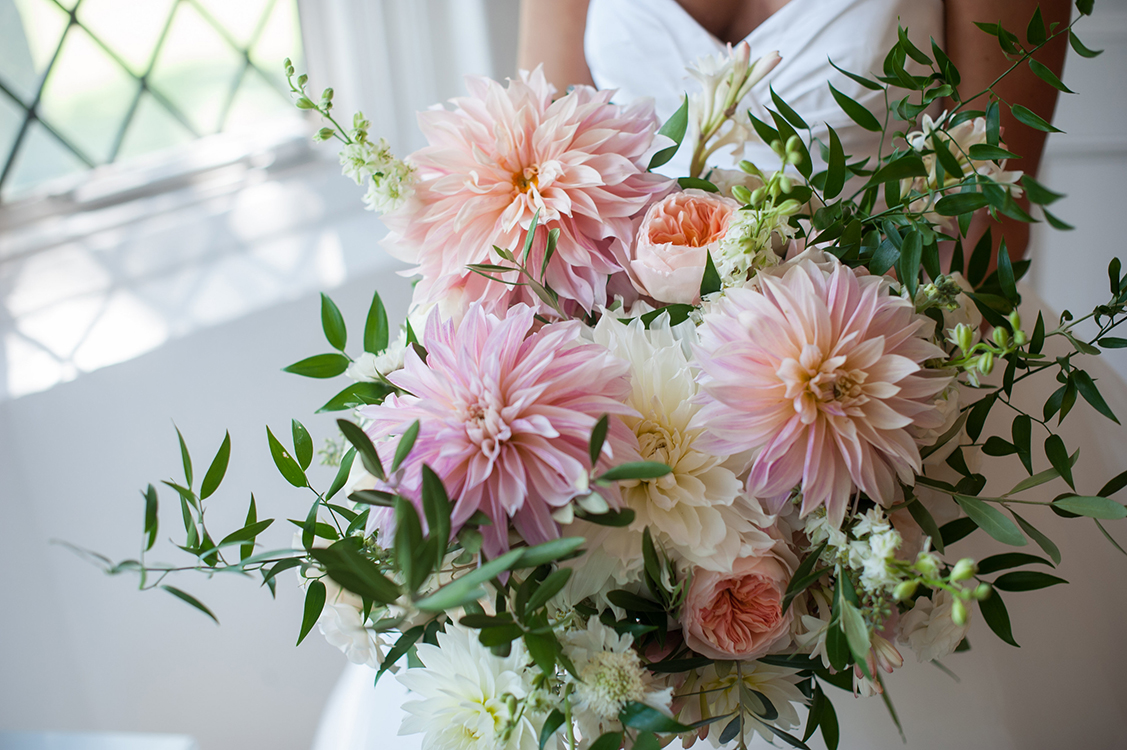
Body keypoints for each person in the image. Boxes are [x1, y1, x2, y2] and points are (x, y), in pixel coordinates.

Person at [314, 3, 1127, 748]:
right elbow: (534, 242)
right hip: (622, 428)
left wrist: (778, 531)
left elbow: (980, 247)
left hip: (871, 411)